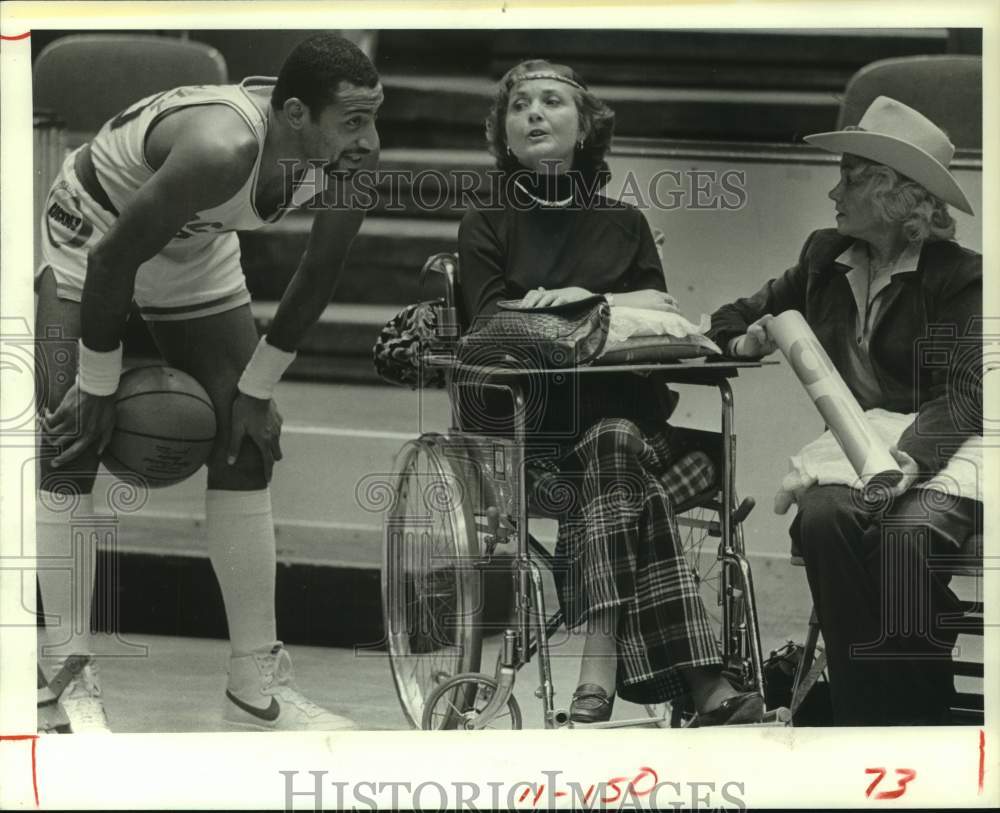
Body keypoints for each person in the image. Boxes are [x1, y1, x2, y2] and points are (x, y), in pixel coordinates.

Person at [35, 33, 381, 732]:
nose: (369, 139)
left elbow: (318, 275)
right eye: (353, 119)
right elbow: (111, 261)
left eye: (375, 115)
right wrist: (100, 385)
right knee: (67, 435)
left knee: (247, 441)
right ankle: (62, 669)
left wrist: (257, 388)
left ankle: (254, 683)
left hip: (194, 243)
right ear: (292, 113)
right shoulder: (222, 147)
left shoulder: (350, 161)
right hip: (96, 227)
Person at [457, 59, 764, 726]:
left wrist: (581, 301)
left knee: (621, 443)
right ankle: (699, 679)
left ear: (586, 125)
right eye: (518, 106)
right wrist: (599, 314)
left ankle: (599, 669)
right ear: (504, 136)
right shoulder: (487, 221)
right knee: (626, 473)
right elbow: (488, 326)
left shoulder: (622, 222)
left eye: (550, 102)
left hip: (636, 436)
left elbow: (663, 312)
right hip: (532, 446)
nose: (533, 113)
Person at [709, 96, 982, 725]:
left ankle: (915, 713)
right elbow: (735, 315)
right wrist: (746, 338)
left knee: (908, 538)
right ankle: (870, 720)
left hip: (949, 449)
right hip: (856, 451)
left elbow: (968, 395)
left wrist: (906, 461)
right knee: (822, 520)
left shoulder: (960, 276)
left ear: (895, 194)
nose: (835, 191)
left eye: (851, 177)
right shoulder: (823, 258)